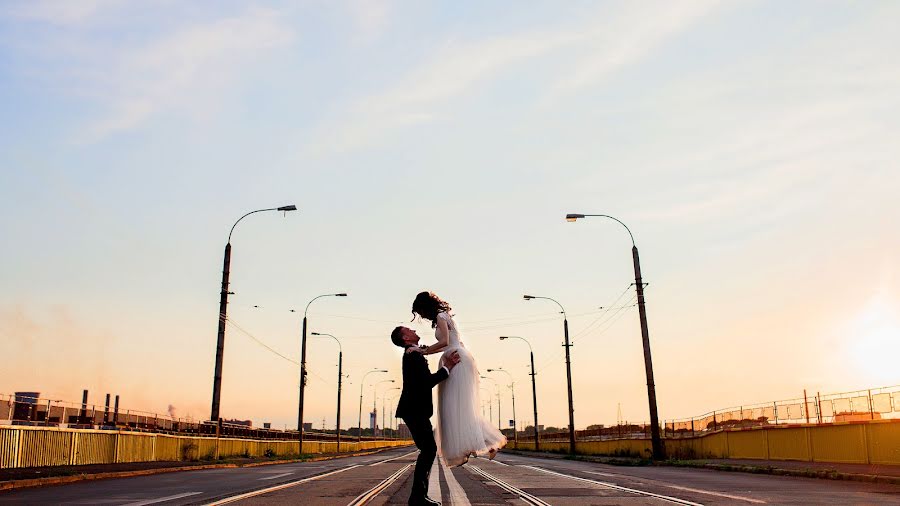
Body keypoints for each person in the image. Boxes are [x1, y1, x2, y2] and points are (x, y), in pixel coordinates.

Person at [408, 291, 507, 467]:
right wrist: (426, 349)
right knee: (459, 407)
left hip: (455, 359)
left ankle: (484, 442)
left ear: (425, 306)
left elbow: (445, 342)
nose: (421, 316)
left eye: (421, 312)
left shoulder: (440, 316)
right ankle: (485, 442)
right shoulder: (443, 316)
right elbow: (449, 343)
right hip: (456, 355)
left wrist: (423, 351)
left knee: (455, 406)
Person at [392, 325, 460, 506]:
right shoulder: (412, 355)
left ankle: (418, 496)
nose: (413, 329)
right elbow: (426, 382)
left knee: (428, 450)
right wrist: (447, 368)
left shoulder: (413, 353)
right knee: (428, 450)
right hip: (414, 410)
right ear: (406, 338)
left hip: (415, 410)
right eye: (409, 329)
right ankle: (417, 498)